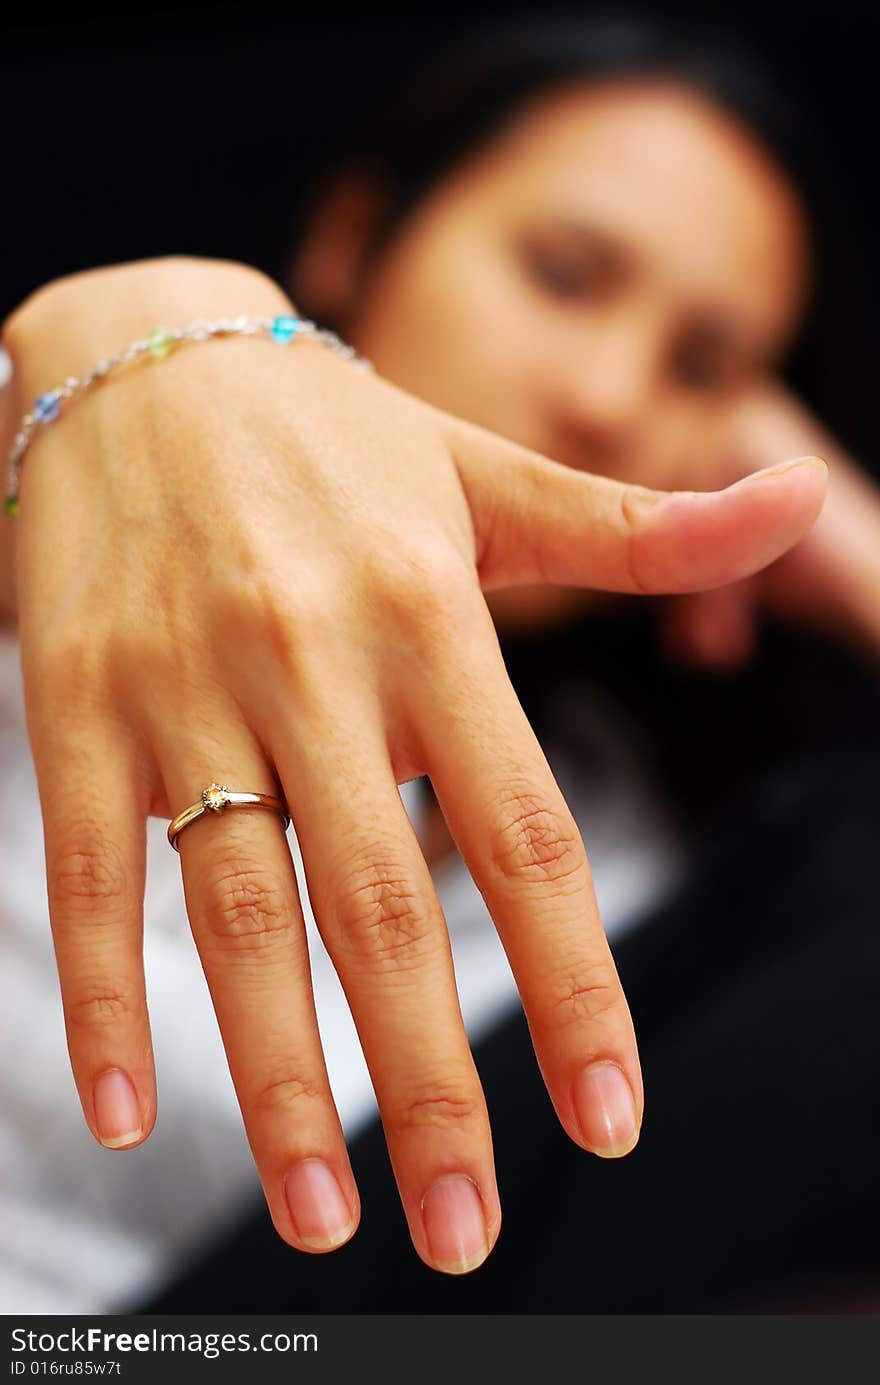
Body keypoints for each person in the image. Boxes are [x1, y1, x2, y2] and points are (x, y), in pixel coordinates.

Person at [1, 14, 877, 1313]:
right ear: (357, 237)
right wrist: (150, 331)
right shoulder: (54, 542)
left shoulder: (658, 861)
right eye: (566, 275)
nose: (612, 396)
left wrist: (853, 545)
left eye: (704, 367)